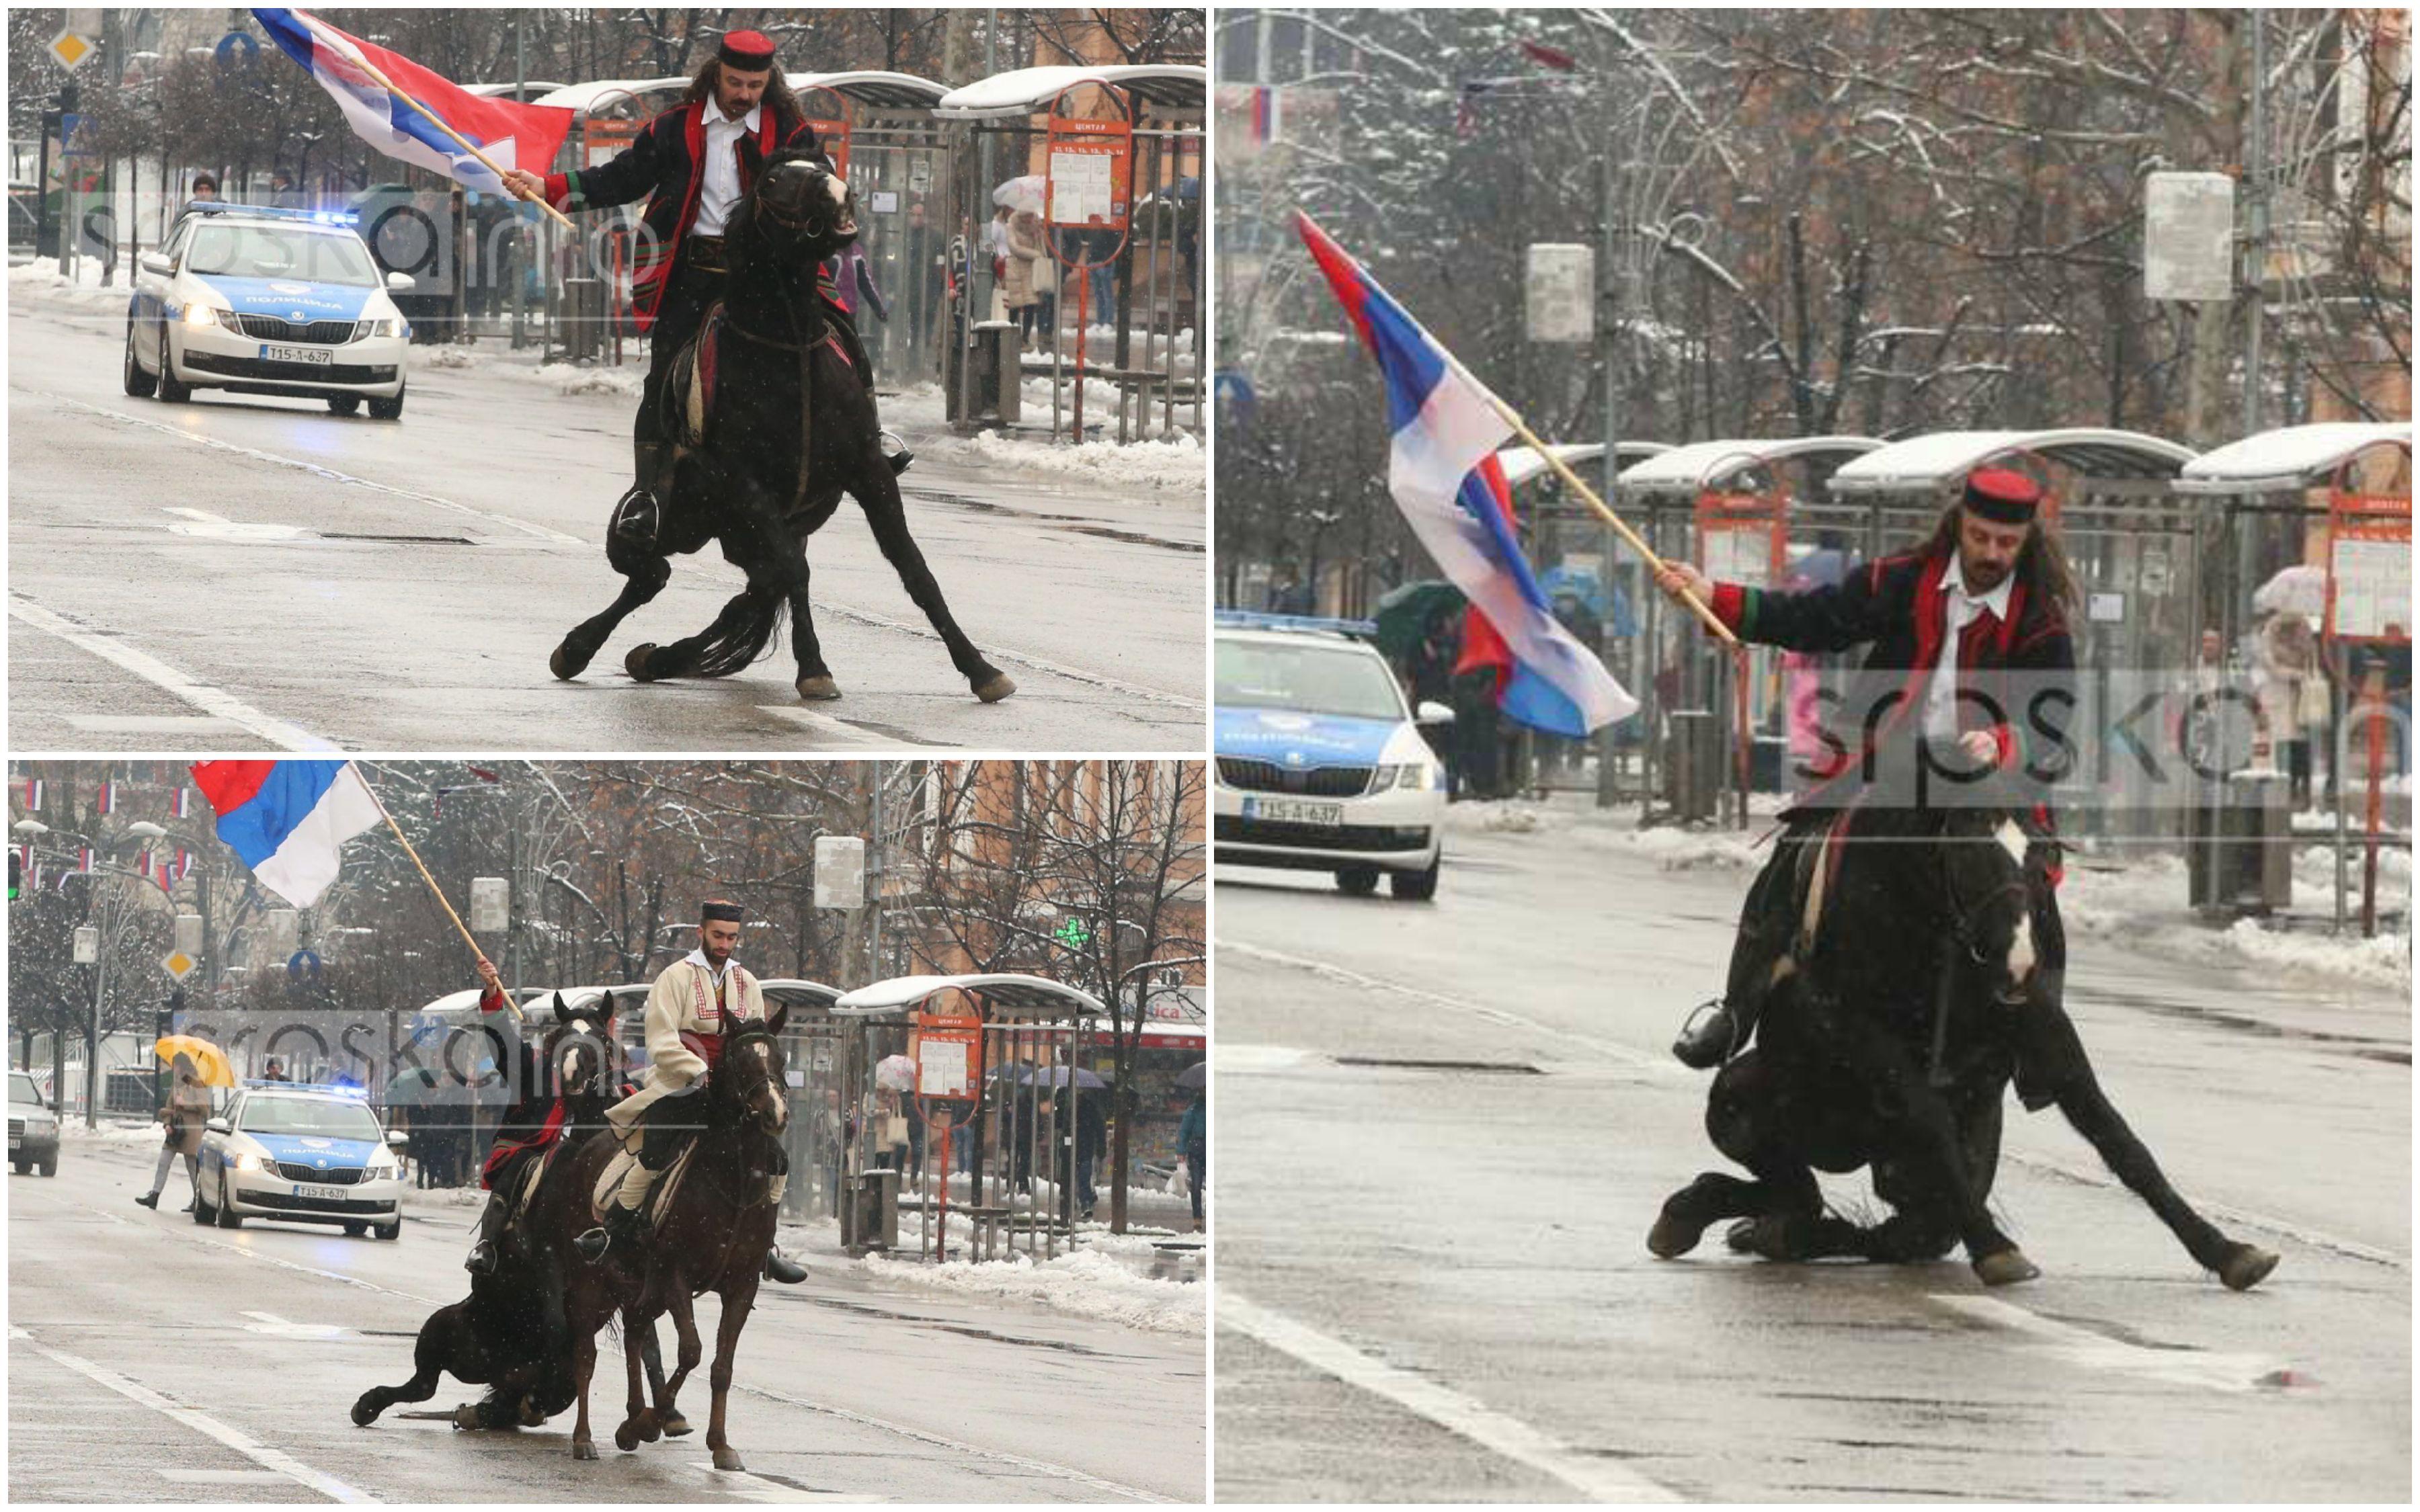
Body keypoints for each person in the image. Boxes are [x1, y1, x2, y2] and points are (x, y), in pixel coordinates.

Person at [1655, 467, 2079, 1077]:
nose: (1991, 553)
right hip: (1882, 769)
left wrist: (2004, 740)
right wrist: (1713, 595)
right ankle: (1736, 1010)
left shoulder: (2041, 619)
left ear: (2026, 542)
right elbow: (1813, 619)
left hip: (1983, 786)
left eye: (2006, 544)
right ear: (1960, 523)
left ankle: (2041, 1049)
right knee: (1791, 862)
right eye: (1981, 536)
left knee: (2031, 893)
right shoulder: (1902, 579)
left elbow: (2052, 721)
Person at [499, 30, 908, 552]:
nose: (744, 93)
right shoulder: (674, 128)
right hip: (690, 275)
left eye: (754, 85)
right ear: (717, 74)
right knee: (665, 376)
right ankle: (647, 496)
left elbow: (821, 186)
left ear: (769, 81)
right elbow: (621, 178)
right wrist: (549, 186)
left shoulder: (791, 130)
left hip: (770, 276)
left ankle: (871, 441)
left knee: (843, 338)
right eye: (735, 81)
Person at [577, 900, 805, 1283]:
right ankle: (613, 1232)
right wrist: (698, 1069)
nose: (725, 943)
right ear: (701, 932)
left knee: (776, 1160)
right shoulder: (674, 977)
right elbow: (662, 1039)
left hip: (733, 1094)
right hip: (682, 1083)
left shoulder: (747, 982)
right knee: (655, 1152)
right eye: (718, 935)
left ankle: (765, 1246)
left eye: (732, 937)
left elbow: (753, 1038)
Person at [135, 1058, 209, 1212]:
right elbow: (169, 1105)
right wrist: (167, 1123)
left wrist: (186, 1104)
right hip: (175, 1130)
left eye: (175, 1066)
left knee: (192, 1168)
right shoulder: (177, 1084)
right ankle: (154, 1196)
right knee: (164, 1161)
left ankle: (199, 1200)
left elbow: (204, 1109)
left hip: (190, 1131)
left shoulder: (196, 1083)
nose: (173, 1069)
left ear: (183, 1067)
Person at [1003, 208, 1045, 349]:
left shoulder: (1036, 226)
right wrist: (1034, 254)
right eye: (1027, 217)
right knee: (1014, 306)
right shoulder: (1011, 225)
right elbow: (1014, 247)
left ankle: (1025, 338)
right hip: (1015, 268)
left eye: (1031, 216)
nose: (1030, 219)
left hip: (1031, 270)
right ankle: (1011, 337)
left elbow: (1042, 251)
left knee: (1030, 305)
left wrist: (1040, 236)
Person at [1177, 1091, 1205, 1232]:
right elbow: (1184, 1132)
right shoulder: (1193, 1111)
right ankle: (1197, 1217)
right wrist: (1181, 1150)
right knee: (1196, 1186)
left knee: (1197, 1186)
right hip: (1197, 1151)